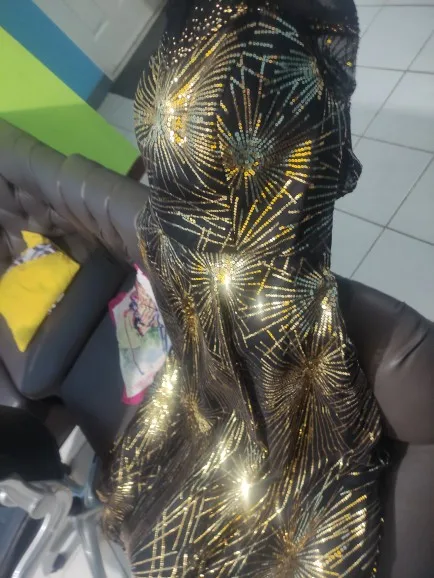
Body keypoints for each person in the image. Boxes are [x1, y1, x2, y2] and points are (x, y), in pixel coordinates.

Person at [100, 1, 386, 575]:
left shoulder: (261, 50)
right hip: (212, 282)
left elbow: (301, 198)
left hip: (258, 284)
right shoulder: (215, 49)